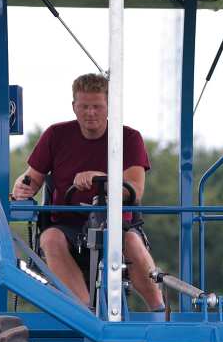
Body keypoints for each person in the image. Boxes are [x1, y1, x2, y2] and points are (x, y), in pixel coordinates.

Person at [12, 72, 165, 311]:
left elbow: (135, 189)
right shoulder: (55, 135)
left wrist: (99, 179)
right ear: (74, 107)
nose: (90, 113)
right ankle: (85, 314)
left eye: (97, 106)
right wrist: (21, 187)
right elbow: (31, 178)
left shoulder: (129, 138)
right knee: (50, 238)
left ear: (109, 107)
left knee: (131, 241)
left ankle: (158, 311)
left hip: (115, 223)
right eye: (84, 106)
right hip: (68, 225)